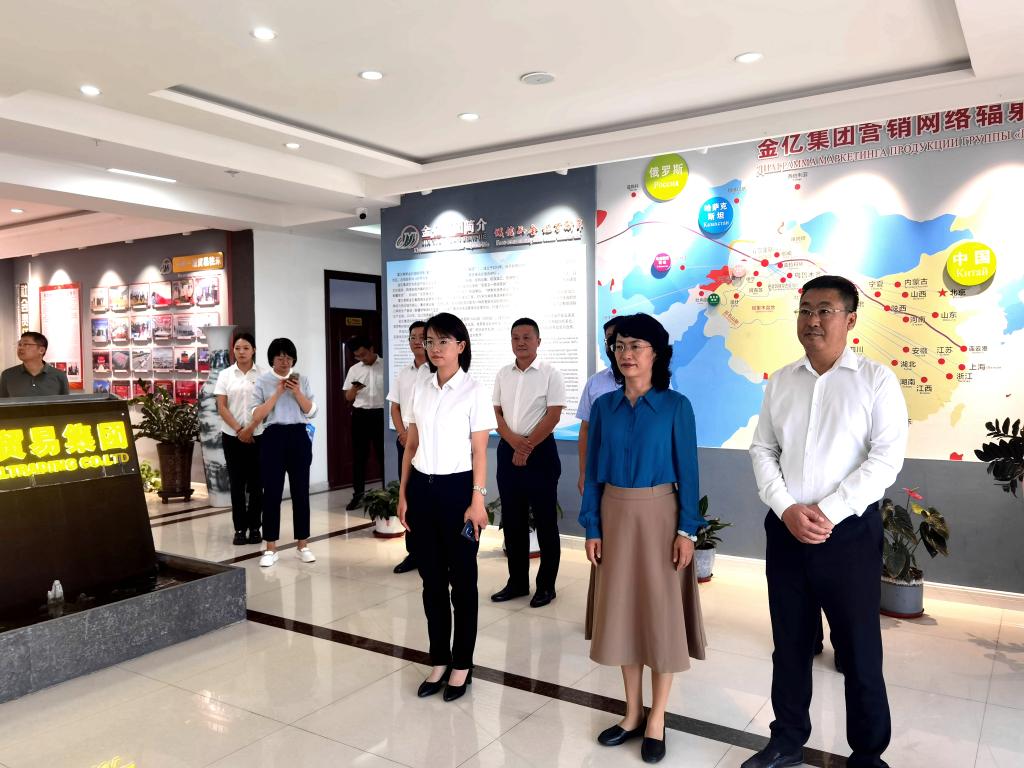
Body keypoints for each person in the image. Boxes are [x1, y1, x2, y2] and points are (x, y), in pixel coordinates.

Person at [746, 275, 908, 768]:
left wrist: (828, 512)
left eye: (824, 310)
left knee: (858, 649)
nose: (812, 320)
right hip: (787, 531)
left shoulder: (876, 380)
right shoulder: (781, 380)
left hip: (849, 536)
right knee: (790, 645)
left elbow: (885, 460)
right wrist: (785, 507)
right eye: (805, 310)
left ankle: (868, 754)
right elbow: (763, 449)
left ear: (850, 319)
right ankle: (786, 740)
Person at [580, 313, 706, 764]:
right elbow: (593, 475)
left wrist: (687, 530)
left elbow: (689, 473)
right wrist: (592, 526)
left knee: (659, 619)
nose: (626, 354)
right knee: (622, 619)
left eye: (636, 346)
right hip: (614, 516)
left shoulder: (676, 406)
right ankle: (632, 713)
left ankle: (657, 719)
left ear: (657, 354)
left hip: (660, 519)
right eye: (620, 346)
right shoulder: (603, 408)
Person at [397, 312, 496, 703]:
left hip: (458, 492)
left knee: (463, 582)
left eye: (443, 341)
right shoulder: (420, 387)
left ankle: (462, 664)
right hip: (422, 489)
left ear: (461, 346)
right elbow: (412, 444)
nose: (434, 348)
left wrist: (478, 499)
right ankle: (439, 658)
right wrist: (403, 494)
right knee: (432, 582)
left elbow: (480, 452)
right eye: (430, 341)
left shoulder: (473, 391)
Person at [491, 318, 566, 607]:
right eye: (515, 337)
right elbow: (496, 413)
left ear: (538, 341)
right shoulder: (502, 373)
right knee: (513, 521)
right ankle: (518, 583)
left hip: (541, 452)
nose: (520, 342)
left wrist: (527, 446)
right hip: (508, 450)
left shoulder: (550, 374)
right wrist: (514, 442)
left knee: (545, 522)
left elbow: (553, 415)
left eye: (526, 337)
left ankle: (546, 586)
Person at [251, 337, 319, 568]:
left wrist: (297, 392)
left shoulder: (302, 380)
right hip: (273, 436)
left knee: (301, 491)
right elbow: (256, 415)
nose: (284, 361)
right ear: (272, 359)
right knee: (271, 492)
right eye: (280, 357)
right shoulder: (263, 381)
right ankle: (271, 547)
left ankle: (303, 545)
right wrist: (277, 393)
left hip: (299, 435)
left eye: (289, 357)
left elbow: (311, 411)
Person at [386, 321, 431, 574]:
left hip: (428, 444)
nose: (417, 341)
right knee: (409, 496)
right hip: (406, 442)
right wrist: (403, 434)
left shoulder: (435, 371)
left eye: (422, 337)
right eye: (413, 337)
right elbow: (394, 407)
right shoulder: (403, 373)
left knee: (428, 497)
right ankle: (413, 553)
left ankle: (433, 552)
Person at [215, 333, 267, 546]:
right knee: (236, 485)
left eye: (246, 348)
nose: (242, 352)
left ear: (254, 350)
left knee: (256, 485)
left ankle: (255, 528)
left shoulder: (264, 375)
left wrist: (251, 428)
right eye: (237, 348)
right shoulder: (225, 375)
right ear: (233, 351)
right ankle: (239, 529)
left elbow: (267, 406)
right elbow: (221, 406)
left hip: (258, 435)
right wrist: (239, 430)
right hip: (232, 436)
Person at [576, 317, 621, 495]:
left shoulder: (654, 384)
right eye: (608, 338)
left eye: (617, 337)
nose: (613, 343)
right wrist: (583, 472)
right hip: (601, 471)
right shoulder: (595, 382)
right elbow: (585, 429)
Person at [343, 336, 385, 511]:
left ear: (372, 349)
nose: (361, 358)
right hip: (360, 416)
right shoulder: (354, 369)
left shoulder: (385, 365)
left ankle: (388, 493)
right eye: (357, 356)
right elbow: (348, 397)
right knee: (359, 457)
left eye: (364, 354)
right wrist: (354, 389)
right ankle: (358, 495)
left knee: (383, 455)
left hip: (381, 414)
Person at [0, 332, 70, 397]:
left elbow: (65, 404)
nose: (20, 348)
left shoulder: (59, 375)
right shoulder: (7, 375)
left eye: (26, 344)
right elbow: (3, 403)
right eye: (19, 344)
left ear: (41, 350)